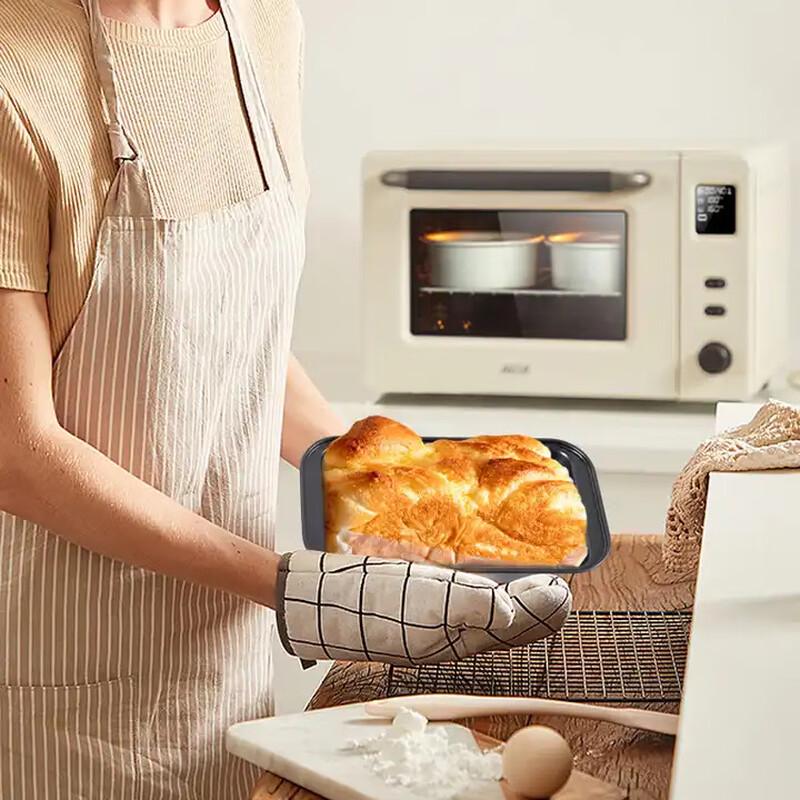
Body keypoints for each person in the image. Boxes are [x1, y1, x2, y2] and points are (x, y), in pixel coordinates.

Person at [0, 0, 571, 797]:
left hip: (226, 658)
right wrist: (295, 587)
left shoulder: (266, 24)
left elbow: (220, 329)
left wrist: (376, 485)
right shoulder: (13, 77)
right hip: (61, 682)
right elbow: (17, 450)